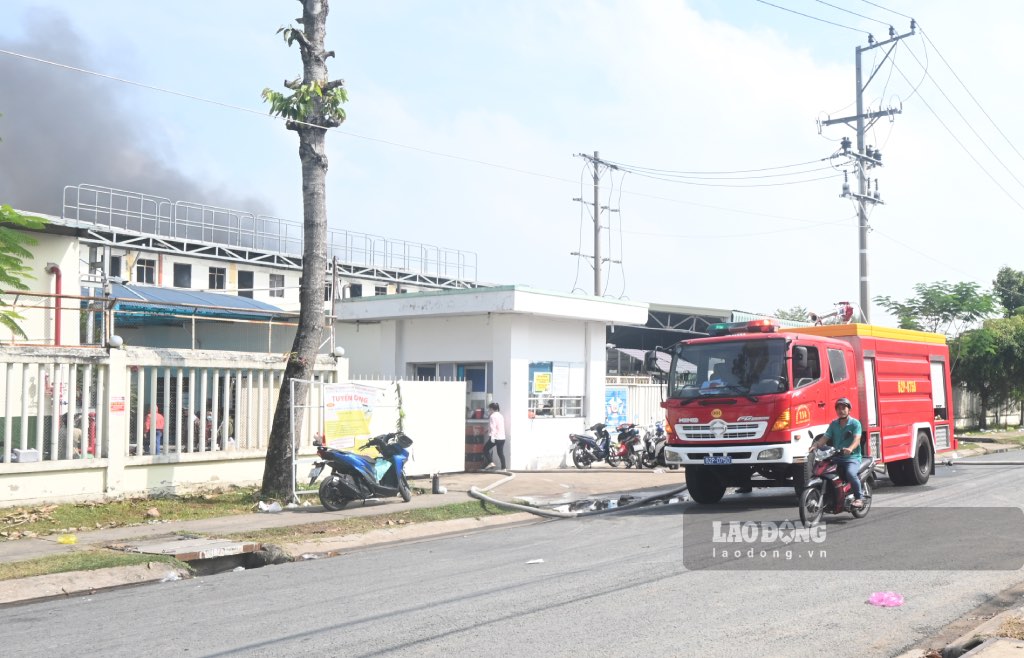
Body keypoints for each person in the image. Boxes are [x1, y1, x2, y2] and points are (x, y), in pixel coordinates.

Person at [811, 397, 865, 508]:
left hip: (852, 457)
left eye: (844, 408)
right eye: (839, 408)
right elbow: (825, 438)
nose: (841, 411)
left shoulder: (855, 424)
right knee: (823, 471)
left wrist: (850, 448)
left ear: (849, 410)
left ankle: (859, 498)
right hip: (836, 457)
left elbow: (857, 439)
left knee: (850, 473)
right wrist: (816, 445)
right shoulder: (834, 424)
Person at [482, 402, 507, 471]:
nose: (488, 410)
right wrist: (487, 430)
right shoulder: (500, 415)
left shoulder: (492, 416)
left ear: (492, 409)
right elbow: (498, 426)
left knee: (485, 449)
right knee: (500, 453)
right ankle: (504, 468)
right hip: (502, 437)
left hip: (495, 437)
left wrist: (492, 437)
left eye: (489, 409)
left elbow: (493, 427)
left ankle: (490, 463)